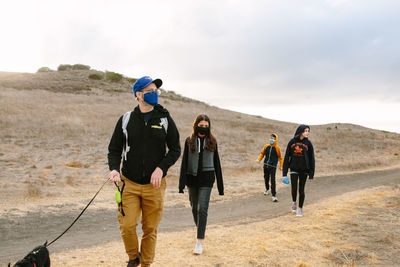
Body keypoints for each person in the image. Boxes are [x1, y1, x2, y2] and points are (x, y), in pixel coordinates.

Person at [108, 76, 181, 267]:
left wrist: (161, 168)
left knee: (150, 228)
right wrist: (114, 170)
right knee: (127, 225)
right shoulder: (126, 120)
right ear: (138, 95)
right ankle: (133, 258)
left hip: (154, 186)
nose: (154, 94)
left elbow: (175, 149)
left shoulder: (165, 119)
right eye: (150, 91)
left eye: (156, 90)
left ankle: (146, 263)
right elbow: (114, 149)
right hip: (128, 183)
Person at [179, 114, 224, 255]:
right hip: (192, 180)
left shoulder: (212, 141)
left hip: (207, 179)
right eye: (201, 125)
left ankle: (199, 241)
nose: (203, 128)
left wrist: (221, 186)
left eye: (206, 126)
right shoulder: (189, 141)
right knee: (194, 209)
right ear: (196, 125)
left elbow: (217, 163)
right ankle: (201, 228)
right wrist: (181, 184)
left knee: (202, 209)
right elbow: (184, 162)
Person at [282, 124, 315, 217]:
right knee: (294, 188)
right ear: (300, 131)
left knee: (301, 190)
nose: (307, 132)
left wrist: (311, 173)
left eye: (308, 131)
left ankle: (300, 208)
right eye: (305, 131)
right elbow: (286, 157)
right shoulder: (292, 142)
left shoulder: (308, 144)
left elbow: (312, 159)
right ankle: (294, 202)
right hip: (293, 169)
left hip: (304, 170)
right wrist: (284, 173)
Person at [257, 133, 283, 202]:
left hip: (273, 166)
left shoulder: (277, 148)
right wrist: (259, 159)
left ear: (276, 140)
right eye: (271, 138)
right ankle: (267, 189)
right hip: (266, 165)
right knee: (266, 178)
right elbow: (262, 153)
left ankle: (274, 195)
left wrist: (281, 166)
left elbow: (280, 158)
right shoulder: (266, 146)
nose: (272, 140)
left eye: (273, 139)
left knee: (273, 180)